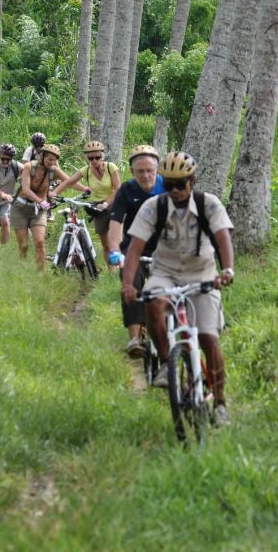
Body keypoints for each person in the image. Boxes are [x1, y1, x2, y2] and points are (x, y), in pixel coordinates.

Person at [120, 151, 235, 426]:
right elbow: (134, 248)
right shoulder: (154, 207)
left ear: (192, 181)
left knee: (209, 338)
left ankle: (220, 404)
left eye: (180, 184)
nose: (174, 190)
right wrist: (128, 284)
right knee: (153, 301)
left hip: (203, 274)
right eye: (168, 184)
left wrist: (227, 270)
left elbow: (223, 239)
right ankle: (165, 364)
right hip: (166, 273)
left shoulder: (209, 204)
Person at [108, 144, 165, 356]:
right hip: (134, 248)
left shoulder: (168, 186)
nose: (146, 175)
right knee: (131, 284)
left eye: (150, 170)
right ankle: (134, 339)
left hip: (164, 248)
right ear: (132, 172)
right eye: (140, 171)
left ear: (157, 169)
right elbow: (116, 223)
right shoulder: (126, 190)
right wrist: (115, 251)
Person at [53, 141, 122, 269]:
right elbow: (68, 182)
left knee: (116, 242)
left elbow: (118, 188)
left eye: (97, 157)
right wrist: (54, 192)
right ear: (87, 158)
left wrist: (106, 203)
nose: (94, 160)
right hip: (97, 208)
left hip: (114, 204)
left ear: (102, 156)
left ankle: (123, 268)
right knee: (105, 245)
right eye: (91, 158)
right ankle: (112, 273)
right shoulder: (86, 171)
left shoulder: (110, 167)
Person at [12, 143, 74, 269]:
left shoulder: (54, 170)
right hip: (21, 208)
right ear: (43, 156)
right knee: (23, 245)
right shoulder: (29, 167)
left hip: (39, 211)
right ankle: (22, 269)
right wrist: (40, 201)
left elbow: (70, 181)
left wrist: (86, 189)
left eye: (55, 160)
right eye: (50, 159)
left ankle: (41, 273)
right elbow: (26, 189)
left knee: (40, 242)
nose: (52, 162)